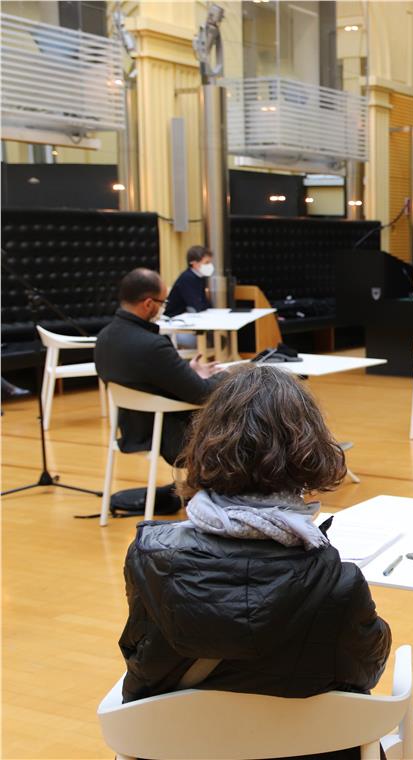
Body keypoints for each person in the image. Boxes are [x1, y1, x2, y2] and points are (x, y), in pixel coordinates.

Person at [119, 363, 391, 704]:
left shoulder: (149, 555)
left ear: (205, 443)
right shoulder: (337, 582)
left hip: (179, 736)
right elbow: (366, 671)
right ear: (309, 450)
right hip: (303, 733)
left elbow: (139, 655)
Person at [94, 268, 224, 509]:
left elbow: (149, 380)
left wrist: (188, 373)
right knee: (238, 419)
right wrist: (228, 375)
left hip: (132, 429)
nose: (163, 308)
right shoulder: (152, 345)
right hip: (169, 436)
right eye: (162, 302)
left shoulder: (105, 337)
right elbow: (202, 394)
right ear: (148, 304)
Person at [166, 245, 214, 317]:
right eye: (206, 262)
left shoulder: (200, 277)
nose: (209, 265)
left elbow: (205, 303)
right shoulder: (186, 278)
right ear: (193, 263)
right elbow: (195, 305)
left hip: (189, 315)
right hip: (175, 317)